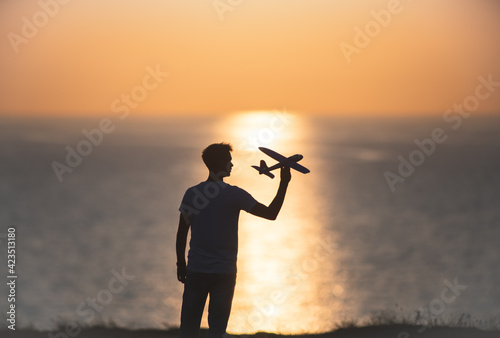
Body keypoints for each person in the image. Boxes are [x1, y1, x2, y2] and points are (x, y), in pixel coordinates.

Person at [176, 142, 291, 338]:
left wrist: (181, 264)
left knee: (188, 329)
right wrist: (284, 182)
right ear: (220, 162)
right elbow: (271, 214)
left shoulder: (192, 194)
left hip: (196, 270)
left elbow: (181, 233)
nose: (232, 164)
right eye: (229, 160)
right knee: (217, 331)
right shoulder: (234, 194)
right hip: (224, 273)